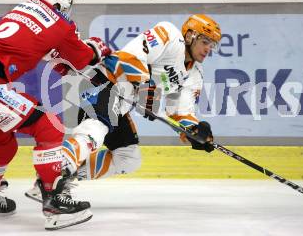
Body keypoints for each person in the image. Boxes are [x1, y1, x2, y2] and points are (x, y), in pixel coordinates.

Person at [0, 0, 111, 230]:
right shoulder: (60, 22)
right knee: (49, 127)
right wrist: (97, 48)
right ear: (60, 2)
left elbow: (43, 49)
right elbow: (81, 59)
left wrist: (63, 58)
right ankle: (54, 201)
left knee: (0, 146)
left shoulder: (21, 10)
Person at [25, 14, 221, 222]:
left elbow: (179, 112)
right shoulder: (170, 35)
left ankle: (51, 181)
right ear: (190, 36)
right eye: (205, 41)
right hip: (105, 81)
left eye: (212, 45)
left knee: (128, 158)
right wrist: (147, 91)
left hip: (122, 103)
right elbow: (130, 56)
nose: (208, 49)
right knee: (95, 129)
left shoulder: (195, 75)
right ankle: (53, 181)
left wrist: (195, 132)